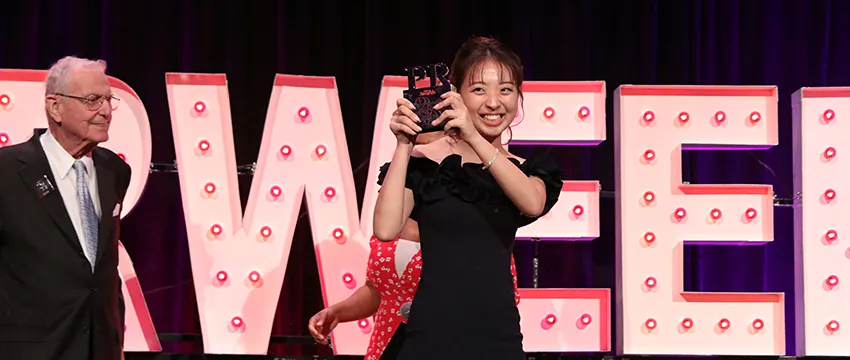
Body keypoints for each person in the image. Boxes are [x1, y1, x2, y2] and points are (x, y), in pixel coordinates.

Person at [373, 36, 562, 359]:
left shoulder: (527, 170)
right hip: (430, 336)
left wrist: (473, 137)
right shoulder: (425, 164)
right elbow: (386, 229)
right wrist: (405, 143)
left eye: (506, 89)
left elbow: (532, 203)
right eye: (478, 90)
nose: (493, 102)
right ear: (454, 95)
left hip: (496, 338)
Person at [0, 56, 130, 360]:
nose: (106, 111)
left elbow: (104, 267)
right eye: (92, 100)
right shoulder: (7, 171)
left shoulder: (115, 171)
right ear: (55, 107)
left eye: (109, 99)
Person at [307, 219, 521, 360]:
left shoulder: (473, 227)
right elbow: (378, 292)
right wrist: (336, 312)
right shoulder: (389, 222)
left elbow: (495, 302)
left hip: (444, 347)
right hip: (386, 348)